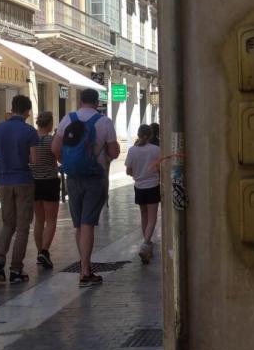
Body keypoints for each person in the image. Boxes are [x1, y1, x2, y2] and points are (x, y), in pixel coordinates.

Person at [53, 88, 119, 287]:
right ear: (97, 103)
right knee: (88, 223)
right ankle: (85, 271)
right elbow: (114, 152)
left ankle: (84, 265)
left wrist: (69, 162)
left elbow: (55, 148)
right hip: (94, 177)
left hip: (73, 177)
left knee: (79, 225)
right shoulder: (104, 122)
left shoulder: (68, 118)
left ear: (80, 101)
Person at [0, 95, 38, 283]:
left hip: (4, 181)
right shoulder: (29, 131)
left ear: (12, 107)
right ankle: (16, 269)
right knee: (23, 226)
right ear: (26, 111)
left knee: (8, 223)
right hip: (23, 180)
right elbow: (34, 160)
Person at [126, 124, 161, 263]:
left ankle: (147, 242)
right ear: (151, 135)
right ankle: (145, 244)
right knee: (152, 218)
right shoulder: (156, 150)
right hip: (152, 186)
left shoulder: (132, 150)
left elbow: (128, 171)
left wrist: (137, 173)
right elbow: (161, 168)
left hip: (139, 187)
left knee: (144, 216)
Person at [30, 111, 60, 269]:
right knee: (51, 220)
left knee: (39, 220)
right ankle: (44, 251)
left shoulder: (31, 139)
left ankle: (39, 253)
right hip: (49, 182)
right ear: (50, 123)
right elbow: (59, 157)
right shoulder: (51, 140)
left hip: (34, 182)